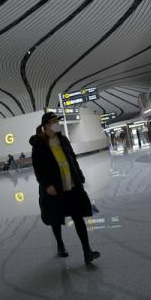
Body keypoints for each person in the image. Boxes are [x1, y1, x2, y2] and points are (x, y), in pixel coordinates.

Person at [29, 112, 100, 264]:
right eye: (54, 121)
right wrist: (46, 185)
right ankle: (60, 245)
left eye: (58, 121)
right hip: (54, 187)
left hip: (71, 184)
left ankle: (87, 251)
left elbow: (72, 158)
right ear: (46, 125)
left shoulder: (63, 139)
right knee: (56, 218)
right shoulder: (39, 144)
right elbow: (38, 168)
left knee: (78, 216)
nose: (57, 124)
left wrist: (79, 175)